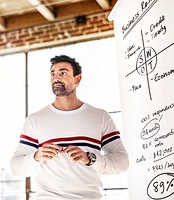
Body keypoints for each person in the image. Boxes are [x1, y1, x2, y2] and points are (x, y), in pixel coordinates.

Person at [10, 55, 129, 200]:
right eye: (53, 73)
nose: (56, 78)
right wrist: (37, 156)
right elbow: (16, 167)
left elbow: (122, 162)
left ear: (77, 79)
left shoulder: (100, 116)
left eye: (63, 73)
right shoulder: (35, 120)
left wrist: (89, 158)